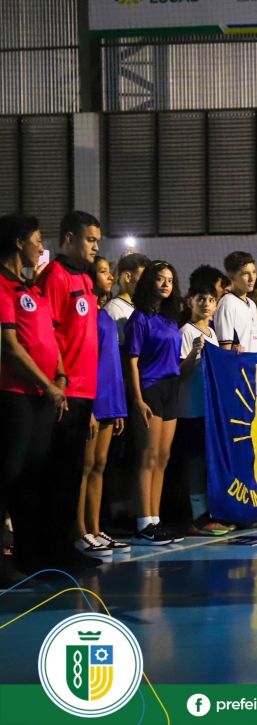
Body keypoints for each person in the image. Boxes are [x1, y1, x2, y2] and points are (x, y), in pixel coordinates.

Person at [0, 214, 69, 582]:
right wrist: (49, 384)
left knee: (32, 479)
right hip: (14, 394)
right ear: (18, 242)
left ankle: (30, 557)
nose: (42, 248)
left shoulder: (32, 288)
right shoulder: (1, 285)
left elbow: (48, 338)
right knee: (8, 475)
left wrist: (60, 377)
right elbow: (10, 348)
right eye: (38, 240)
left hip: (43, 394)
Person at [36, 211, 103, 568]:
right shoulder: (54, 276)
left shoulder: (87, 280)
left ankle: (67, 544)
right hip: (65, 391)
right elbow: (46, 334)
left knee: (73, 472)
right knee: (57, 474)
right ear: (69, 239)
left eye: (97, 241)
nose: (96, 247)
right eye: (90, 240)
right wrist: (58, 381)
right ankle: (51, 550)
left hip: (85, 391)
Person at [126, 262, 186, 546]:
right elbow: (132, 360)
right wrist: (137, 399)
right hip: (149, 387)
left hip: (171, 388)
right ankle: (142, 524)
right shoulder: (140, 318)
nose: (165, 284)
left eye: (170, 280)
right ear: (150, 281)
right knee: (147, 456)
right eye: (160, 279)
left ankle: (155, 519)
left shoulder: (171, 318)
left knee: (163, 456)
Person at [76, 257, 129, 558]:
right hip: (91, 399)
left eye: (110, 272)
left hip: (110, 399)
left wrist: (118, 407)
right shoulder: (85, 314)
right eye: (103, 272)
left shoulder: (105, 312)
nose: (110, 276)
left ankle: (96, 529)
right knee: (84, 467)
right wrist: (90, 408)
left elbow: (113, 364)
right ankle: (79, 531)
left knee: (99, 465)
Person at [174, 282, 231, 536]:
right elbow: (180, 374)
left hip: (209, 411)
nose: (206, 304)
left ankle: (209, 511)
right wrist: (194, 354)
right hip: (190, 409)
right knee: (194, 462)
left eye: (210, 299)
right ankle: (197, 516)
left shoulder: (213, 333)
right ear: (190, 302)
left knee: (206, 461)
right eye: (200, 299)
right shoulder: (186, 332)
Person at [213, 252, 257, 354]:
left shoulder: (251, 304)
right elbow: (224, 351)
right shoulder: (227, 305)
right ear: (231, 276)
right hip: (241, 365)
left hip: (255, 363)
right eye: (245, 273)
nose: (252, 278)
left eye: (254, 272)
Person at [104, 252, 151, 347]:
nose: (148, 284)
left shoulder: (140, 308)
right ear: (128, 277)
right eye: (144, 278)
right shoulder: (114, 311)